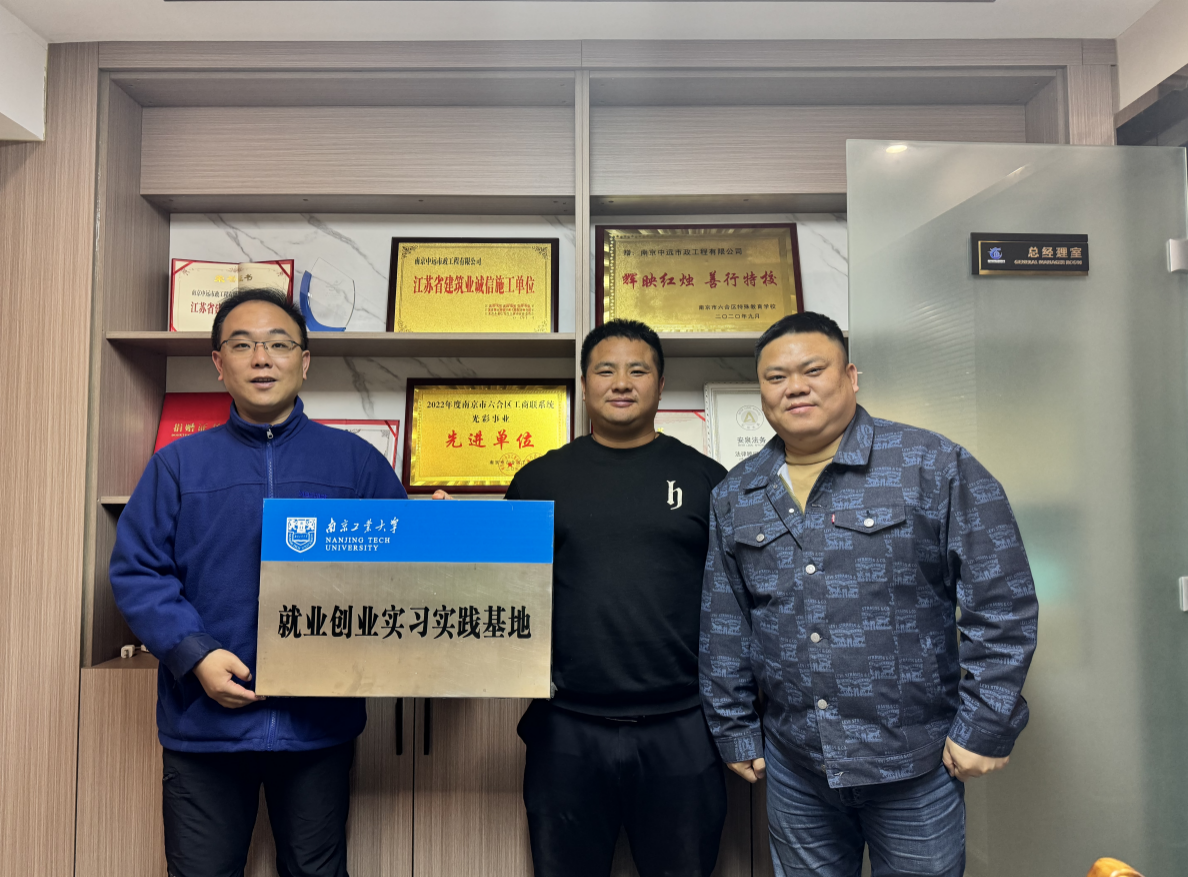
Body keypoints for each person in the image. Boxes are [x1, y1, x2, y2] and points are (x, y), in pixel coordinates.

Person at [700, 312, 1038, 877]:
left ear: (851, 377)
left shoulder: (931, 465)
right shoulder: (738, 492)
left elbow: (1002, 600)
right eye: (776, 377)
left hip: (915, 762)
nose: (795, 387)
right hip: (795, 763)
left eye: (813, 370)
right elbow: (725, 620)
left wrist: (986, 724)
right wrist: (733, 727)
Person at [110, 289, 407, 877]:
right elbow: (138, 570)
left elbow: (398, 570)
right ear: (218, 363)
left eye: (279, 344)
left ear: (305, 360)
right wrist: (196, 655)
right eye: (242, 345)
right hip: (204, 727)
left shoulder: (356, 463)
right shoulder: (178, 464)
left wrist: (440, 533)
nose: (262, 358)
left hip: (318, 726)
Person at [438, 319, 728, 877]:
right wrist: (450, 533)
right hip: (566, 726)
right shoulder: (540, 479)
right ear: (584, 381)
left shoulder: (706, 480)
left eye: (637, 370)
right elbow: (497, 585)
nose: (621, 382)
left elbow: (735, 600)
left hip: (685, 726)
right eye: (606, 370)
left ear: (661, 384)